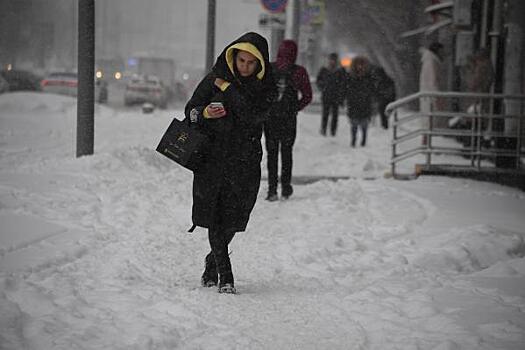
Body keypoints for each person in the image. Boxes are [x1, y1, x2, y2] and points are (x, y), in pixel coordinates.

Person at [184, 32, 276, 294]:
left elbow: (253, 115)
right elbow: (190, 110)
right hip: (212, 159)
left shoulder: (265, 86)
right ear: (233, 58)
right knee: (216, 214)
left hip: (245, 161)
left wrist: (228, 88)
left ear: (259, 64)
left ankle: (212, 260)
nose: (244, 67)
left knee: (234, 218)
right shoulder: (213, 78)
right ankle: (226, 275)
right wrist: (204, 112)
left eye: (250, 63)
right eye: (241, 61)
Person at [264, 40, 312, 201]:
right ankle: (285, 187)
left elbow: (260, 91)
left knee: (271, 154)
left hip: (270, 119)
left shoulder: (269, 69)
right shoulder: (299, 72)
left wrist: (266, 107)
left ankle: (272, 190)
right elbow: (307, 96)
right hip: (288, 119)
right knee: (287, 153)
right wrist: (295, 108)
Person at [344, 56, 375, 147]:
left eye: (361, 65)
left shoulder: (368, 77)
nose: (360, 67)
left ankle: (363, 141)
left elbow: (372, 89)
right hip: (354, 103)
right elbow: (347, 89)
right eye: (358, 65)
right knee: (354, 124)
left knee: (364, 124)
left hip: (365, 103)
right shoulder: (351, 77)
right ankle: (353, 140)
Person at [419, 42, 445, 144]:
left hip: (428, 95)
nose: (444, 53)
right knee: (429, 120)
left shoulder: (429, 60)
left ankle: (426, 143)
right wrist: (437, 96)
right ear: (437, 51)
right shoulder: (431, 62)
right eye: (442, 51)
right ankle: (425, 144)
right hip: (430, 96)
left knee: (428, 120)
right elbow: (432, 80)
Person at [316, 52, 346, 136]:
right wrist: (323, 87)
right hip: (326, 95)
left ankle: (333, 130)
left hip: (336, 96)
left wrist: (341, 95)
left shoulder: (340, 71)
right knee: (325, 114)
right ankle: (323, 129)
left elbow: (344, 84)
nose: (332, 61)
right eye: (331, 59)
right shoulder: (324, 70)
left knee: (335, 115)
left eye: (334, 60)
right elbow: (318, 81)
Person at [370, 65, 396, 129]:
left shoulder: (381, 81)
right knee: (384, 112)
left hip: (385, 99)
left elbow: (378, 91)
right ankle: (384, 125)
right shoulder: (385, 80)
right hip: (387, 99)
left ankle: (384, 126)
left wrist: (377, 96)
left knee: (383, 112)